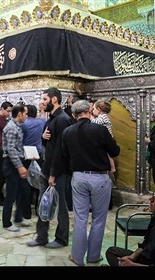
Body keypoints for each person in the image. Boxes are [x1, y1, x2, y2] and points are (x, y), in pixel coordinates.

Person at [61, 100, 120, 266]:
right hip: (99, 178)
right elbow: (115, 151)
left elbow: (65, 155)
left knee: (80, 218)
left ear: (73, 115)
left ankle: (77, 257)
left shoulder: (67, 132)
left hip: (78, 177)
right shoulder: (99, 130)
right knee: (98, 220)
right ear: (89, 110)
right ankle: (93, 256)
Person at [27, 87, 72, 249]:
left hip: (58, 171)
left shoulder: (62, 119)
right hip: (48, 169)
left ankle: (61, 239)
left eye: (45, 99)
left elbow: (62, 150)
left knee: (60, 206)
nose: (42, 102)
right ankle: (42, 237)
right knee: (43, 203)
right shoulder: (51, 118)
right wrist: (42, 137)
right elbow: (50, 143)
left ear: (54, 100)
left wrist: (53, 174)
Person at [105, 194, 155, 266]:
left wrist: (133, 265)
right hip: (143, 258)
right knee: (112, 252)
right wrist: (132, 257)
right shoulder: (154, 218)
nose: (150, 200)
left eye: (154, 199)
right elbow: (145, 243)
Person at [2, 104, 29, 232]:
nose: (26, 116)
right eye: (25, 113)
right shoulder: (12, 128)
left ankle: (18, 218)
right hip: (11, 164)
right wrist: (19, 167)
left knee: (21, 191)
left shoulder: (17, 127)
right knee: (11, 194)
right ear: (20, 114)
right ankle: (6, 222)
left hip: (17, 161)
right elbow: (11, 150)